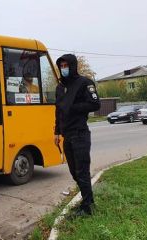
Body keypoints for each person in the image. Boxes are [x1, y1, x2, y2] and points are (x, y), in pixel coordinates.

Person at [54, 54, 101, 217]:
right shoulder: (60, 87)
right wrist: (57, 131)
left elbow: (95, 104)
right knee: (74, 172)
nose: (64, 68)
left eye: (66, 65)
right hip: (67, 135)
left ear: (73, 66)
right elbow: (58, 110)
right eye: (61, 66)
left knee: (82, 172)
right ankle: (86, 200)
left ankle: (88, 207)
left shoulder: (84, 83)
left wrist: (72, 107)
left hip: (80, 134)